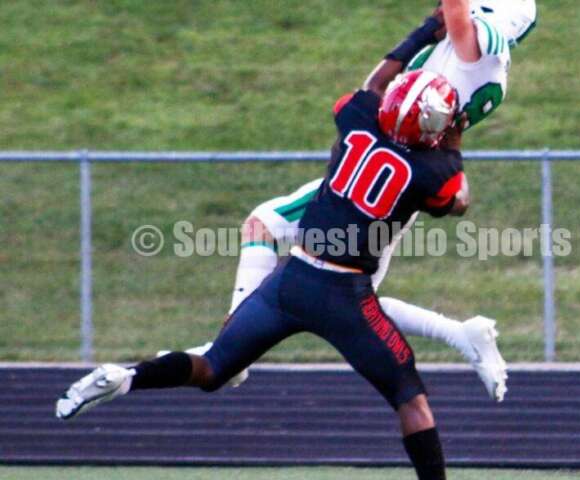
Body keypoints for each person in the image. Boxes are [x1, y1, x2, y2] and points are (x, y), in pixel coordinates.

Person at [58, 64, 465, 479]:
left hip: (292, 279)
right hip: (345, 294)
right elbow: (458, 201)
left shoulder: (358, 120)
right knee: (410, 400)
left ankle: (128, 377)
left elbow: (373, 83)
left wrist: (420, 37)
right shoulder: (430, 171)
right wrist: (454, 142)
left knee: (213, 367)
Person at [183, 0, 538, 401]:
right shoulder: (475, 64)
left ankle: (228, 349)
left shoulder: (478, 51)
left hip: (378, 174)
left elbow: (454, 14)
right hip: (386, 174)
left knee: (266, 226)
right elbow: (381, 86)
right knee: (356, 301)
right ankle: (460, 334)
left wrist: (429, 28)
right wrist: (423, 33)